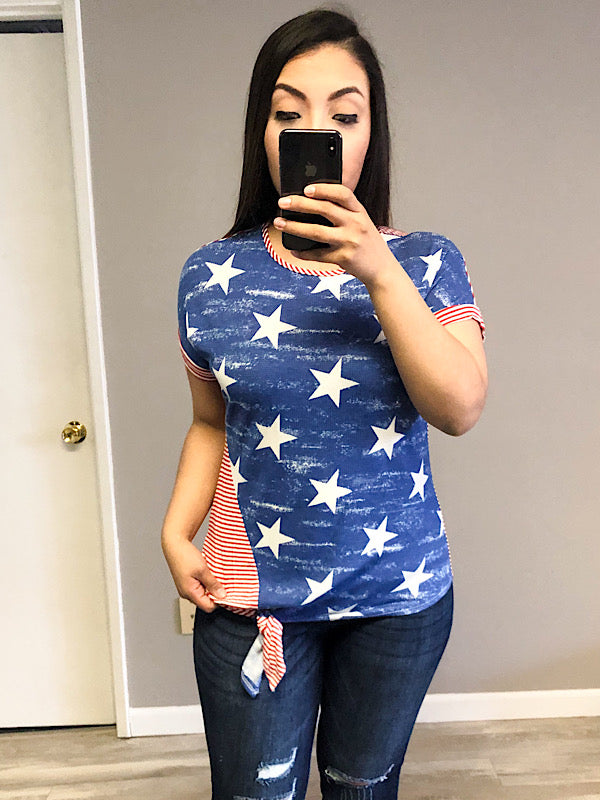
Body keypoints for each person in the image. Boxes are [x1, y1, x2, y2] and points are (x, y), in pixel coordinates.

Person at [161, 8, 487, 800]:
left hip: (396, 600)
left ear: (371, 133)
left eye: (344, 115)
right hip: (253, 598)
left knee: (360, 788)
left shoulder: (427, 262)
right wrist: (174, 528)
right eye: (289, 113)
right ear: (263, 131)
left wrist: (377, 269)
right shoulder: (209, 276)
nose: (316, 133)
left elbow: (459, 407)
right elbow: (210, 422)